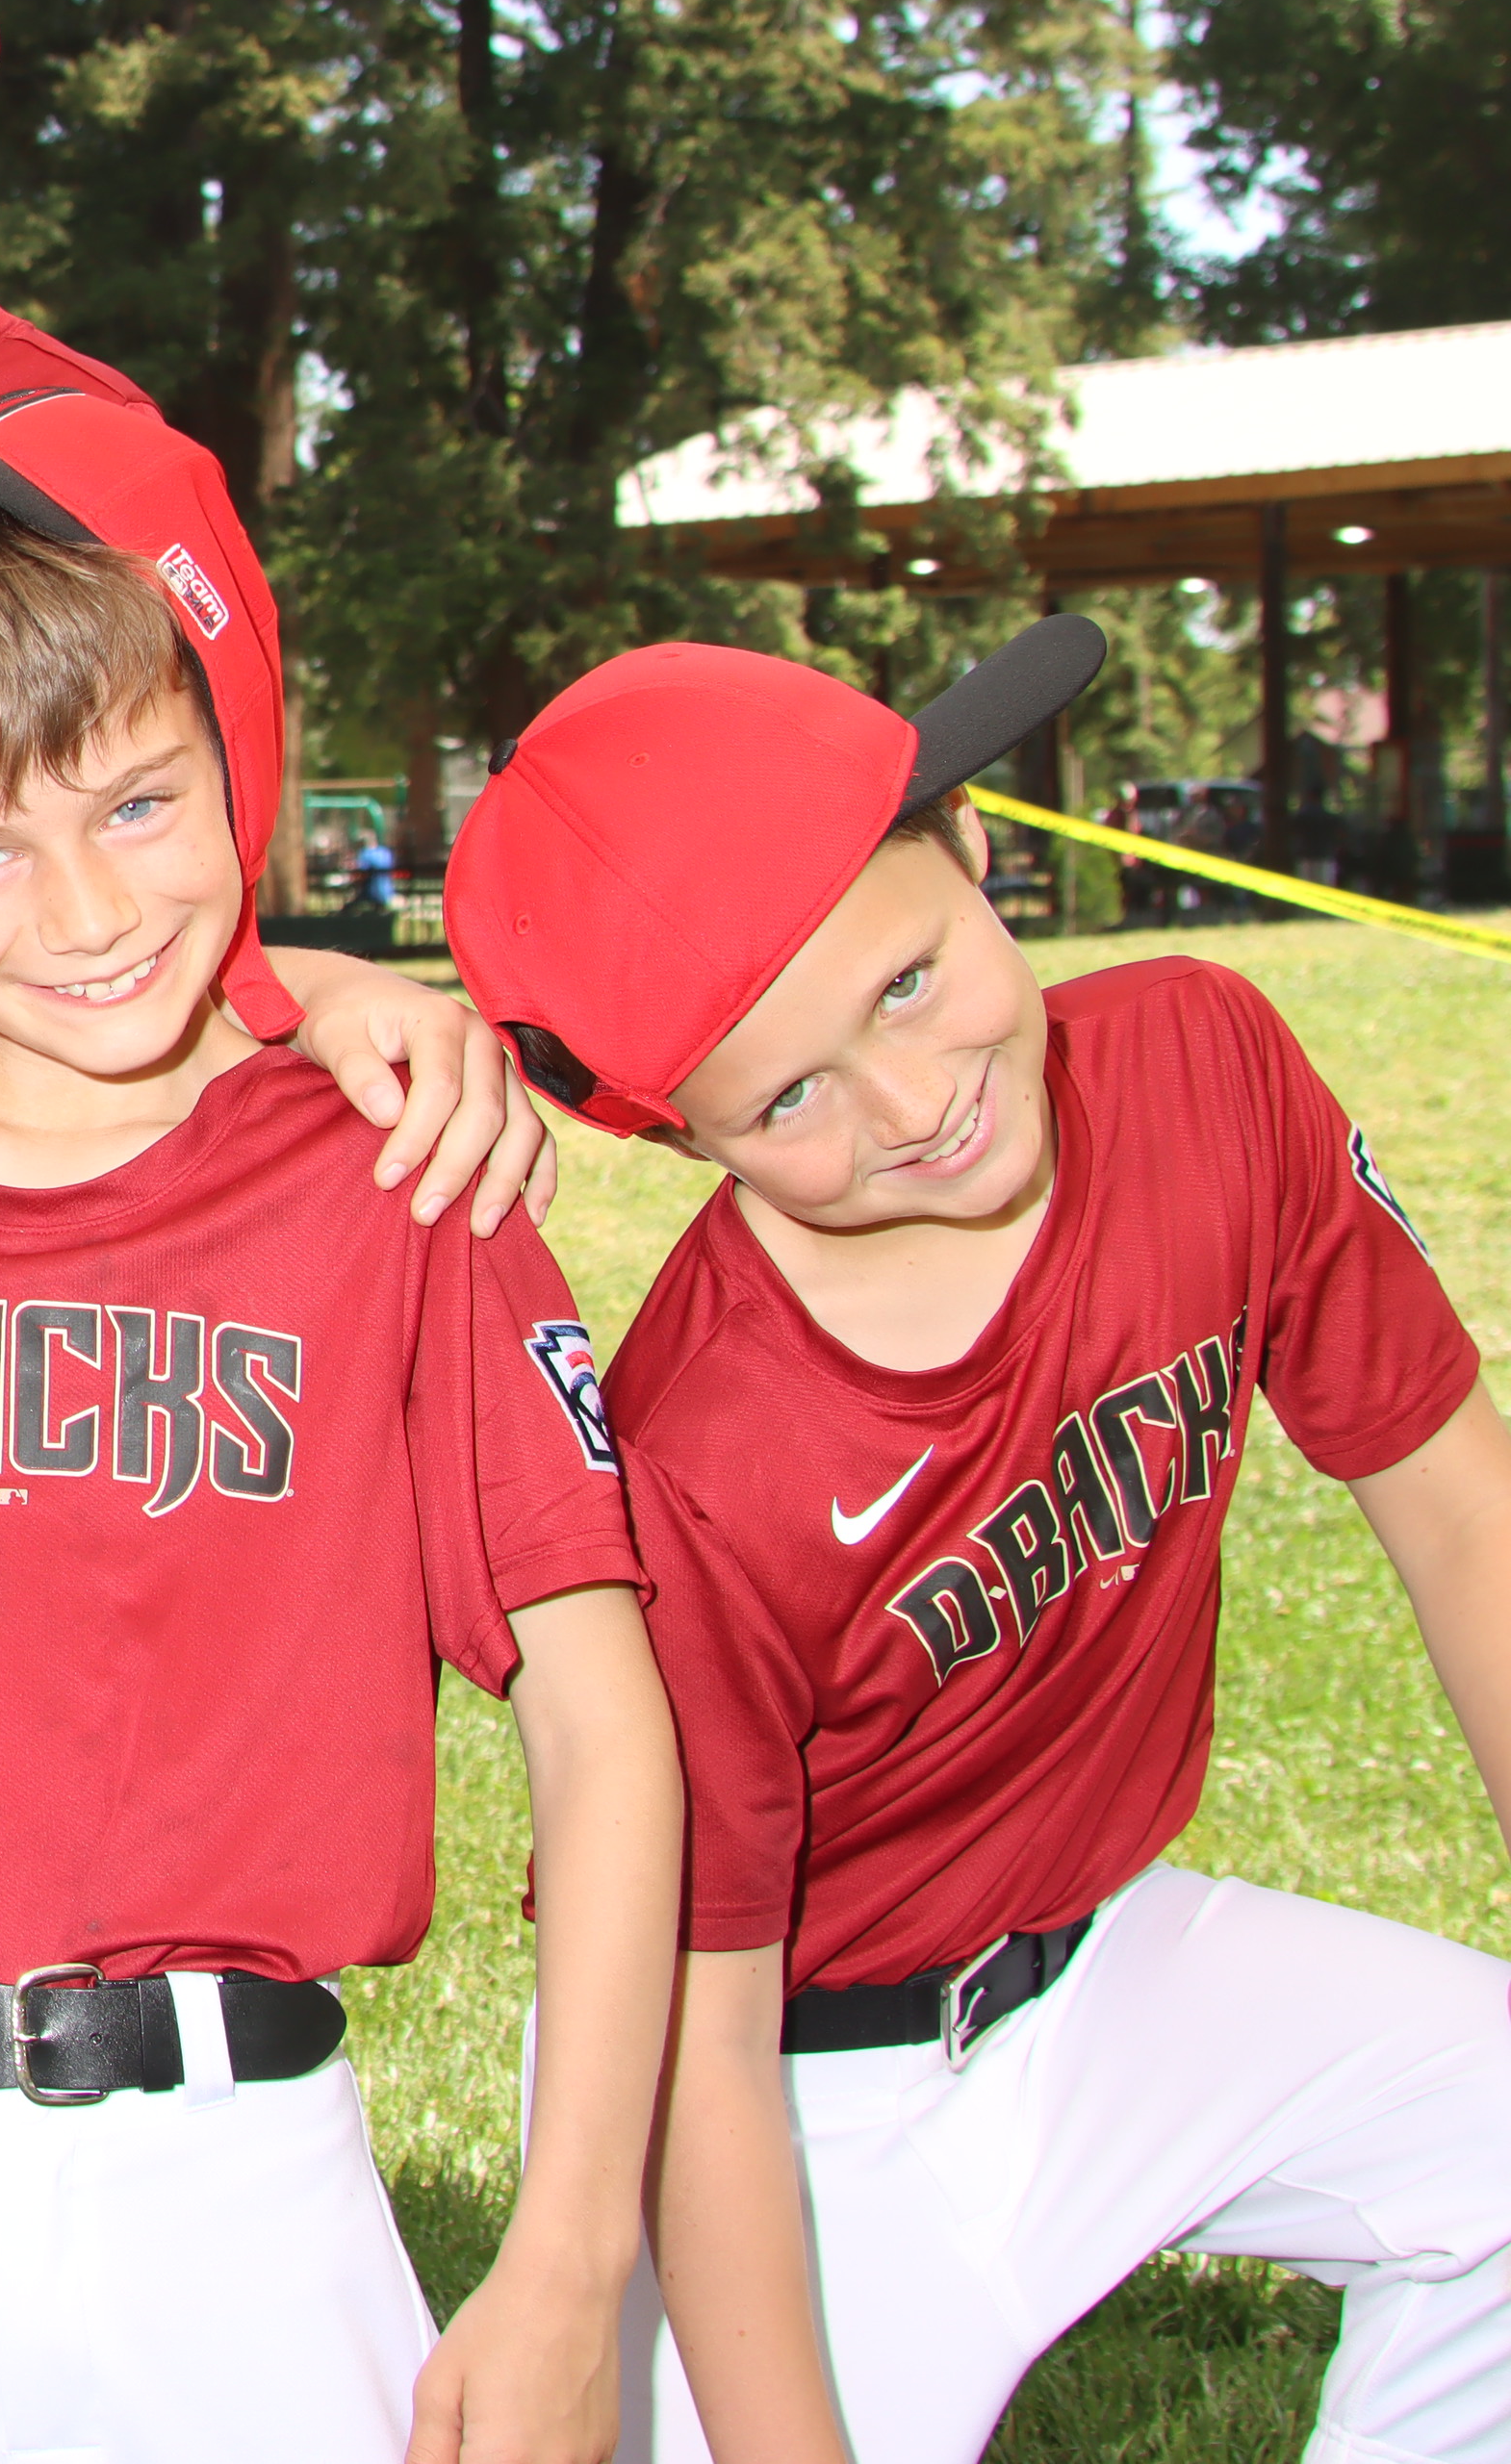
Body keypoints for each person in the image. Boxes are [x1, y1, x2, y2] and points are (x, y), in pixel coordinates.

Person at [0, 327, 679, 2462]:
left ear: (234, 764)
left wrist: (567, 2261)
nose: (87, 912)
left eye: (141, 806)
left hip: (240, 2191)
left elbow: (602, 1728)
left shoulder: (390, 1179)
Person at [448, 627, 1511, 2464]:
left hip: (1103, 1968)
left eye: (909, 981)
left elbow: (1470, 1526)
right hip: (786, 2092)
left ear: (969, 846)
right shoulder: (702, 1459)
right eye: (786, 1099)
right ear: (680, 1137)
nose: (913, 1101)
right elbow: (702, 2048)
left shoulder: (1205, 1066)